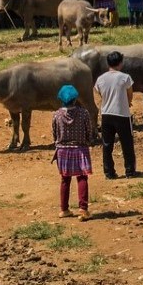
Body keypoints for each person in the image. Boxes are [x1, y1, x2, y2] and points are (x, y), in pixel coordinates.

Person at [52, 84, 93, 221]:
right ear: (75, 99)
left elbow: (55, 133)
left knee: (65, 179)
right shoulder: (84, 113)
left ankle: (64, 209)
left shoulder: (57, 114)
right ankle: (83, 209)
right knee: (82, 177)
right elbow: (89, 131)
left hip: (62, 150)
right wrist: (87, 141)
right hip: (80, 149)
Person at [95, 51, 136, 179]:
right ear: (120, 63)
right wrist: (128, 102)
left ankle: (109, 173)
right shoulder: (125, 77)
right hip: (122, 114)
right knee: (127, 143)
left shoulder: (100, 79)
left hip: (106, 114)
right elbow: (130, 92)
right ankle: (130, 171)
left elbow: (98, 92)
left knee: (107, 145)